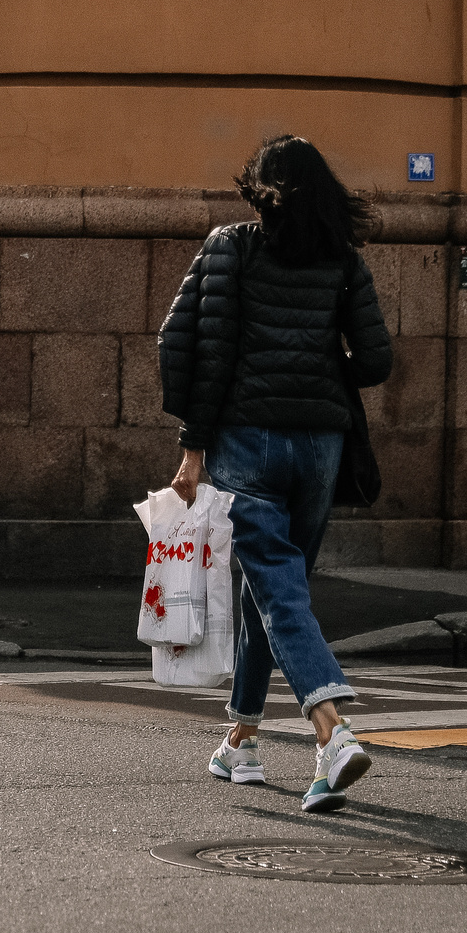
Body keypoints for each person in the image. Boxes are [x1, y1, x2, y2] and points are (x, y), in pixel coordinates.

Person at [157, 134, 394, 813]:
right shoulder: (342, 262)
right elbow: (375, 360)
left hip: (247, 442)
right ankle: (242, 739)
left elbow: (184, 343)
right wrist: (321, 371)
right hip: (320, 447)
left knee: (278, 594)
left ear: (261, 191)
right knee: (274, 589)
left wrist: (193, 444)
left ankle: (333, 732)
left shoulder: (231, 246)